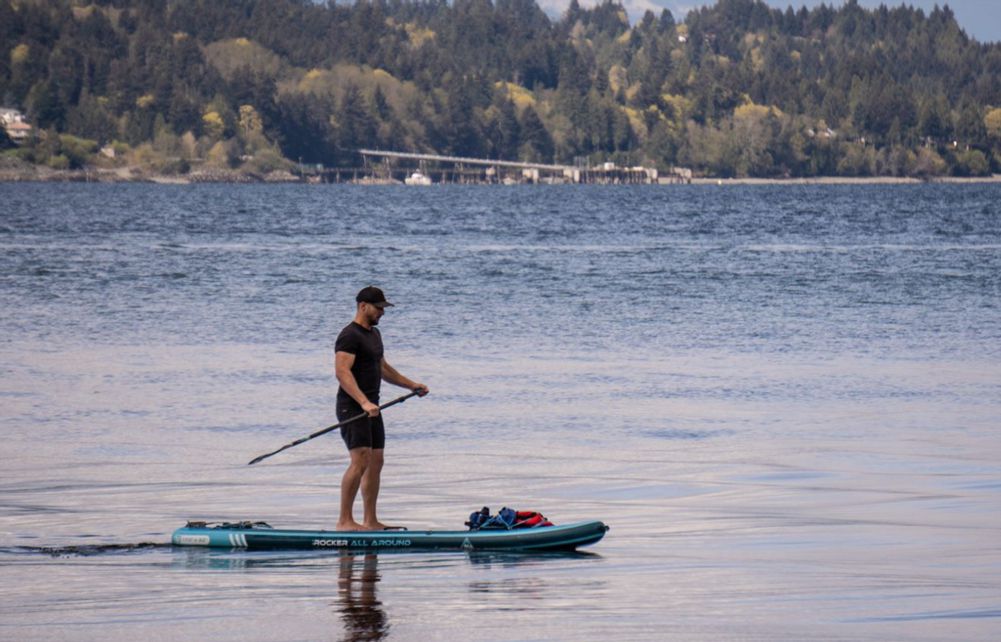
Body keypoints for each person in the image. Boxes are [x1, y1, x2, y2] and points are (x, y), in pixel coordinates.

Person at [334, 286, 428, 531]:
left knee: (376, 461)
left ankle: (370, 521)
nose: (382, 313)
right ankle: (344, 521)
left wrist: (411, 385)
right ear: (363, 306)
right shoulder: (349, 335)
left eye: (383, 308)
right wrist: (363, 402)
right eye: (378, 308)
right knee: (360, 459)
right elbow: (342, 372)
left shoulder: (374, 335)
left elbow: (383, 369)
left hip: (373, 407)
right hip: (352, 407)